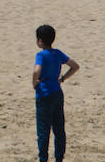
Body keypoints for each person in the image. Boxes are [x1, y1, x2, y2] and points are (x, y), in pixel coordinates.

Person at [32, 25, 80, 162]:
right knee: (59, 128)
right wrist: (62, 79)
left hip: (44, 94)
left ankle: (43, 159)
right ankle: (59, 158)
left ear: (40, 41)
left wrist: (34, 83)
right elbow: (75, 66)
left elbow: (36, 71)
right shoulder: (58, 53)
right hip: (57, 92)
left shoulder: (41, 55)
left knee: (43, 130)